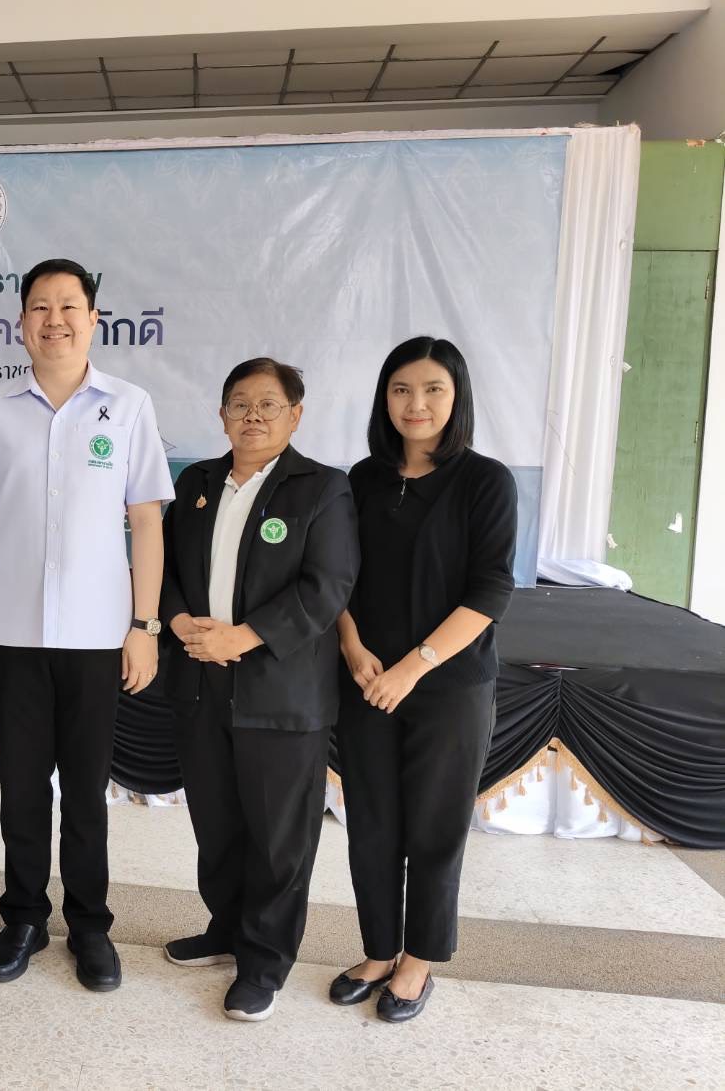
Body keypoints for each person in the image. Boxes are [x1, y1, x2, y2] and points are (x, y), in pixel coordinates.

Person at [0, 258, 174, 992]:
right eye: (40, 307)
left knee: (84, 792)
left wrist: (144, 625)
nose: (55, 320)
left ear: (93, 319)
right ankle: (22, 917)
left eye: (68, 306)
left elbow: (146, 522)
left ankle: (88, 926)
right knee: (21, 790)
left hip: (97, 637)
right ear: (21, 323)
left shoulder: (129, 405)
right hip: (11, 634)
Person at [158, 357, 358, 1021]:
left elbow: (326, 588)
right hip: (200, 682)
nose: (252, 415)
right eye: (239, 403)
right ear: (220, 415)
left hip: (281, 694)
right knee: (217, 825)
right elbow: (165, 569)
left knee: (278, 839)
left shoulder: (321, 488)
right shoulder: (196, 482)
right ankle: (226, 929)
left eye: (268, 405)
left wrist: (242, 638)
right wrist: (178, 620)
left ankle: (264, 962)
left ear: (294, 416)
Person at [328, 336, 517, 1022]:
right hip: (367, 681)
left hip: (447, 687)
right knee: (371, 822)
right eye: (402, 389)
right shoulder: (362, 479)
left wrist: (413, 667)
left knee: (434, 828)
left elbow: (490, 591)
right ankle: (379, 949)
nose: (416, 403)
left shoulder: (485, 481)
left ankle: (418, 960)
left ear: (456, 396)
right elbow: (336, 577)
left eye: (433, 389)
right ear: (384, 398)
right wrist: (352, 650)